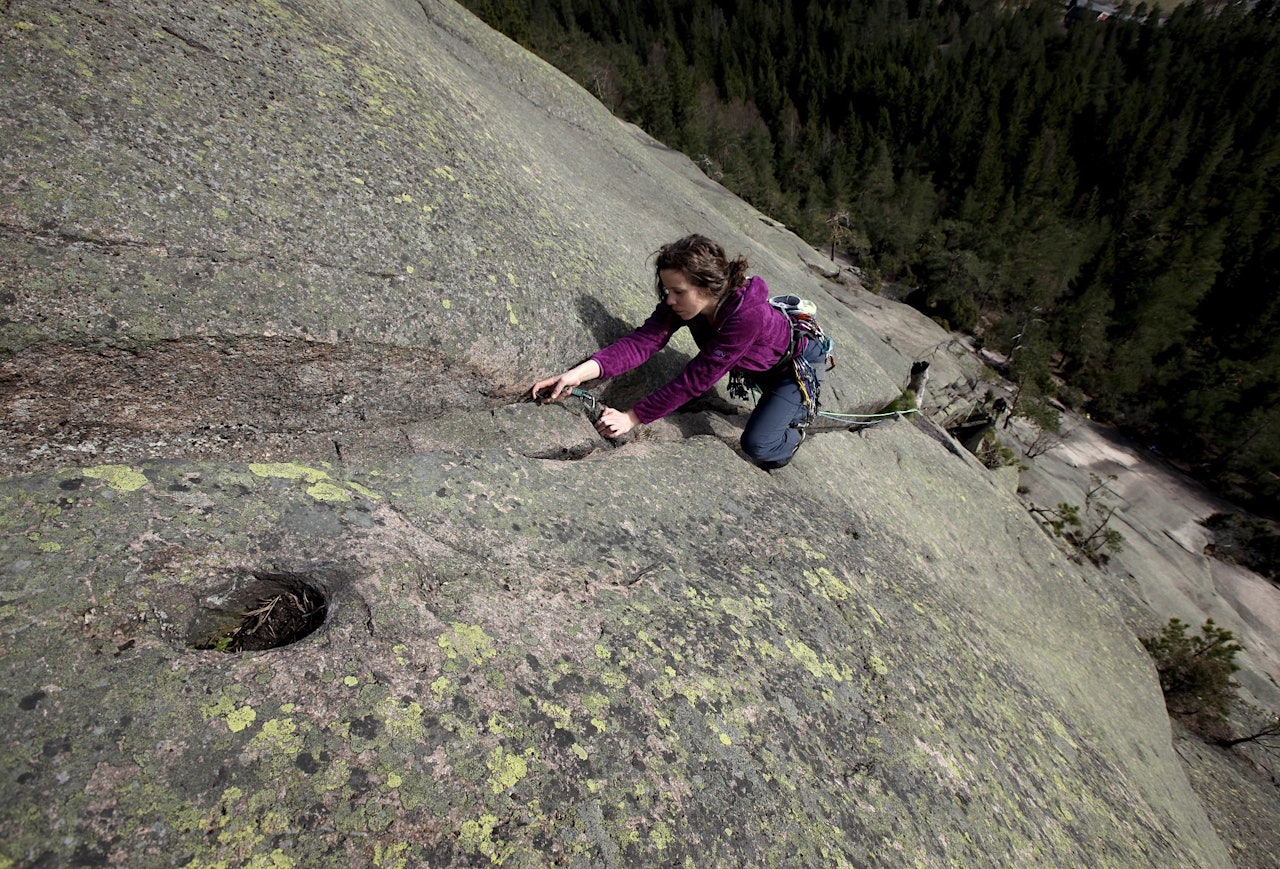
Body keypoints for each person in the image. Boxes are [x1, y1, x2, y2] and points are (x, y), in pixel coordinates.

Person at [531, 234, 828, 469]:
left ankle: (794, 430)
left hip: (791, 368)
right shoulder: (685, 304)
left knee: (759, 446)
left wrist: (632, 418)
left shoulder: (747, 316)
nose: (669, 300)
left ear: (708, 286)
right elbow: (643, 342)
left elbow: (696, 379)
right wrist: (576, 375)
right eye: (666, 290)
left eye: (678, 292)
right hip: (757, 363)